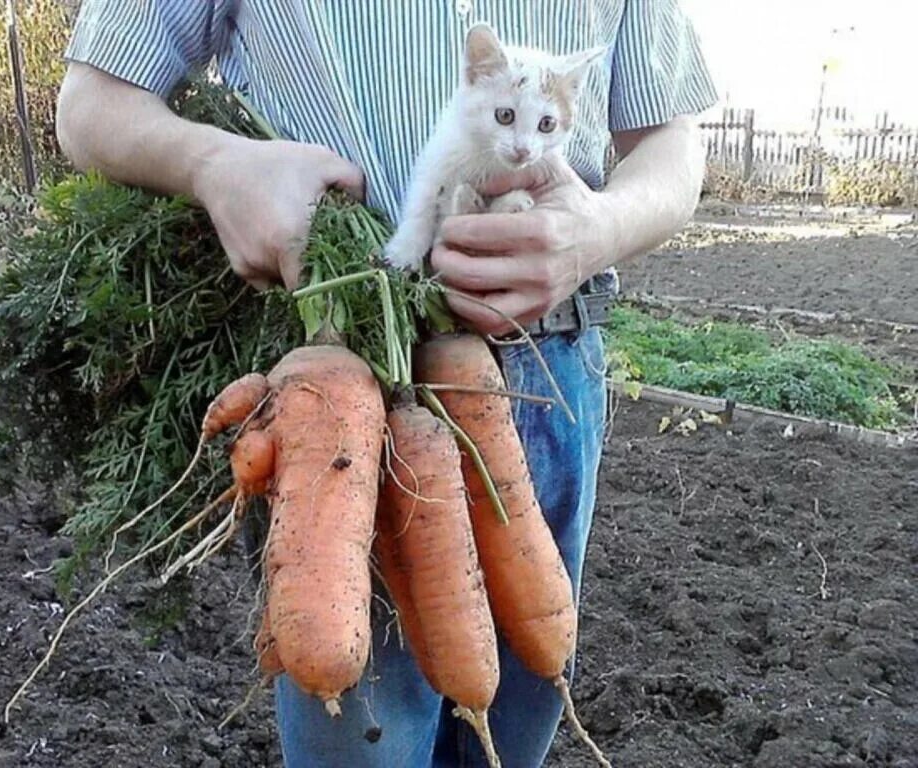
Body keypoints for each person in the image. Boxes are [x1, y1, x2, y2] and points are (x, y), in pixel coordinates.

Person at [56, 2, 716, 766]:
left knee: (524, 697)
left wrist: (599, 231)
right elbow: (90, 102)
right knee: (353, 701)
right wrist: (213, 163)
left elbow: (670, 141)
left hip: (549, 374)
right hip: (343, 401)